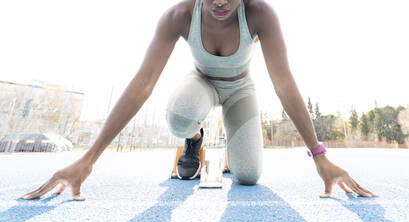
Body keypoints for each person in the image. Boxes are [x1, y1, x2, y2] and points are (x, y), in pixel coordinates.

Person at [20, 0, 376, 201]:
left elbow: (284, 83)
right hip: (201, 83)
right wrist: (89, 159)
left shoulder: (260, 14)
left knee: (248, 176)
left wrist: (319, 156)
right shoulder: (178, 16)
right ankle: (194, 140)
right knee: (180, 114)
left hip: (241, 91)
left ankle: (232, 157)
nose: (221, 1)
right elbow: (143, 84)